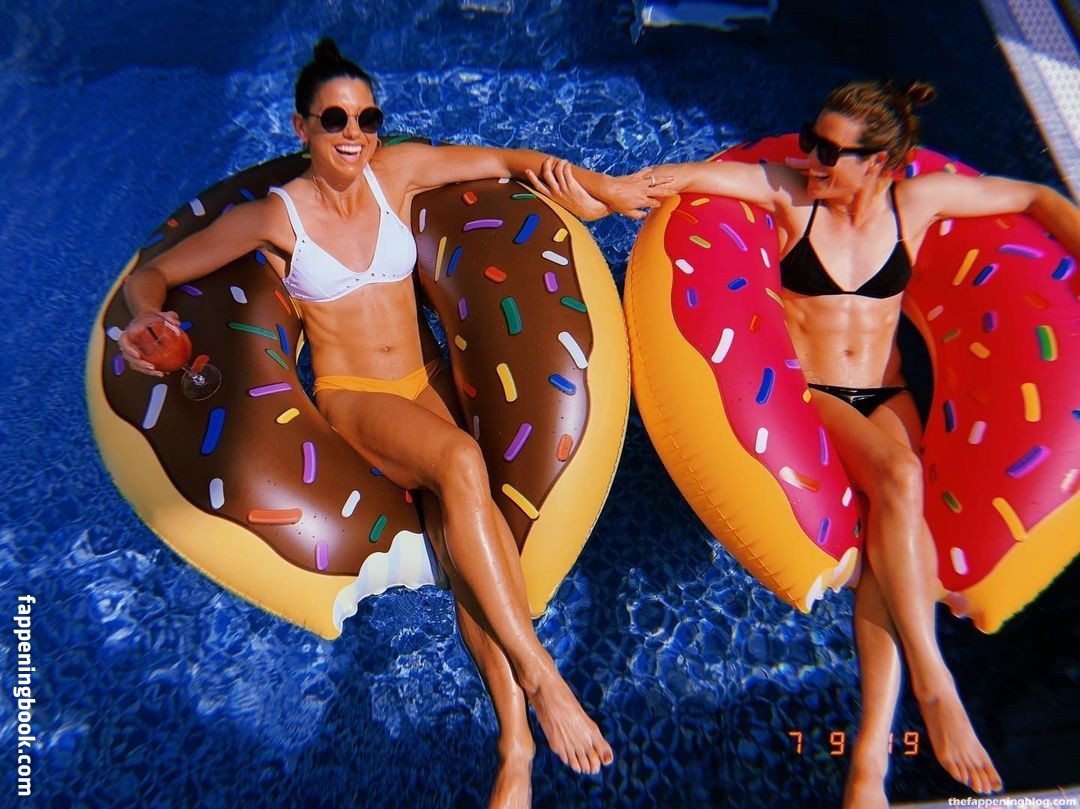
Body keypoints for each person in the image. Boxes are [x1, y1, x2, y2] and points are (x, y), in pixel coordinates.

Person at [118, 38, 665, 809]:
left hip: (428, 379)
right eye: (335, 118)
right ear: (302, 126)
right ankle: (543, 678)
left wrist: (602, 187)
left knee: (467, 533)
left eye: (367, 118)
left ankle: (513, 746)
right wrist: (148, 317)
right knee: (463, 464)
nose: (354, 132)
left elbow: (508, 160)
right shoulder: (276, 216)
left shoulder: (396, 175)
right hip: (355, 396)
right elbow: (158, 272)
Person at [543, 79, 1079, 808]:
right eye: (810, 138)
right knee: (899, 477)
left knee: (894, 539)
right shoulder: (788, 194)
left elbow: (1034, 198)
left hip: (888, 395)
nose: (810, 157)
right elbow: (682, 179)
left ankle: (870, 757)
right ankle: (934, 681)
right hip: (812, 394)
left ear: (879, 163)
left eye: (831, 150)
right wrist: (607, 192)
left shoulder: (918, 204)